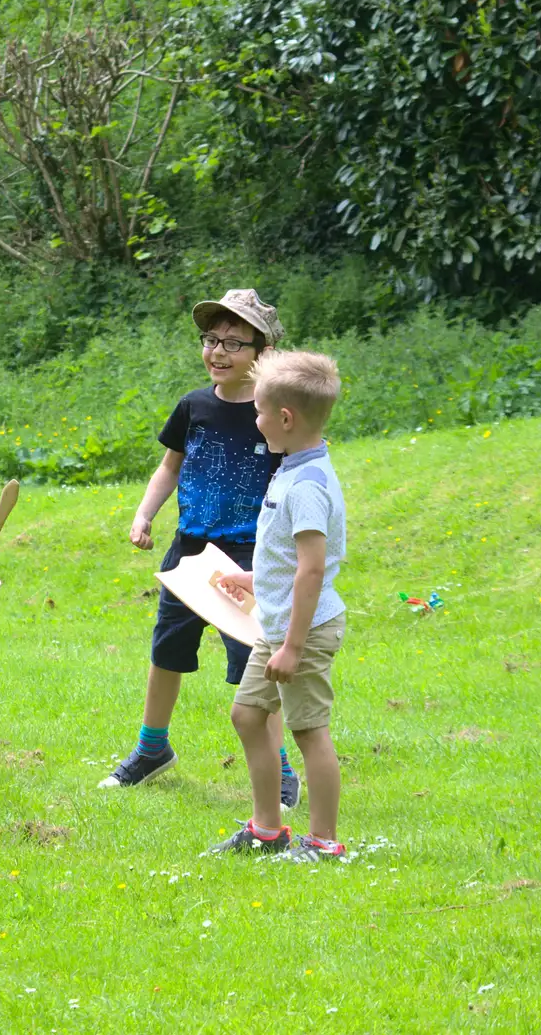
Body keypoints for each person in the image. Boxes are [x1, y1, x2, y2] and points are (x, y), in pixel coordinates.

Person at [99, 289, 301, 809]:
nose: (218, 351)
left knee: (255, 668)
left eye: (235, 343)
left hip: (249, 557)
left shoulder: (274, 414)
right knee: (166, 653)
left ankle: (279, 768)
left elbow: (294, 482)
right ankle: (151, 750)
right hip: (189, 552)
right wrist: (144, 515)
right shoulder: (194, 406)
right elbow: (169, 467)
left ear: (262, 352)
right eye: (211, 339)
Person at [209, 349, 349, 861]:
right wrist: (252, 579)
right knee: (248, 715)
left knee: (309, 730)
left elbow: (312, 568)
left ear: (285, 419)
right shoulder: (294, 467)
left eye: (261, 410)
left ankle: (323, 841)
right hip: (279, 620)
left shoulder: (308, 484)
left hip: (302, 631)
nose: (256, 417)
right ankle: (267, 830)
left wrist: (291, 646)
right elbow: (289, 559)